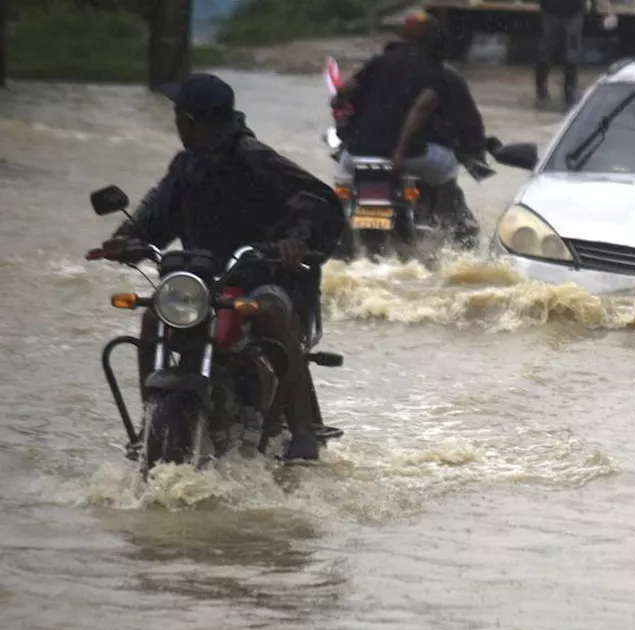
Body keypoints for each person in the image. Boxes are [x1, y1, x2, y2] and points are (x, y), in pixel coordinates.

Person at [96, 73, 344, 461]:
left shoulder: (254, 158)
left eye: (179, 116)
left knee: (270, 314)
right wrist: (128, 237)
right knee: (152, 318)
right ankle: (151, 421)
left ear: (192, 121)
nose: (176, 123)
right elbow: (157, 209)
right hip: (199, 280)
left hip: (260, 275)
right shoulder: (186, 166)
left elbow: (319, 200)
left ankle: (302, 433)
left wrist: (296, 239)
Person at [330, 10, 484, 247]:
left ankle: (339, 233)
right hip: (408, 156)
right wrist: (400, 152)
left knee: (341, 183)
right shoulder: (438, 72)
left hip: (358, 153)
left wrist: (339, 107)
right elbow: (422, 109)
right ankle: (444, 224)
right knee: (447, 171)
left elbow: (343, 92)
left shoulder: (378, 62)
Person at [535, 0, 585, 110]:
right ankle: (541, 88)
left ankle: (569, 92)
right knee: (545, 50)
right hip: (552, 9)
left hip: (573, 10)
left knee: (572, 53)